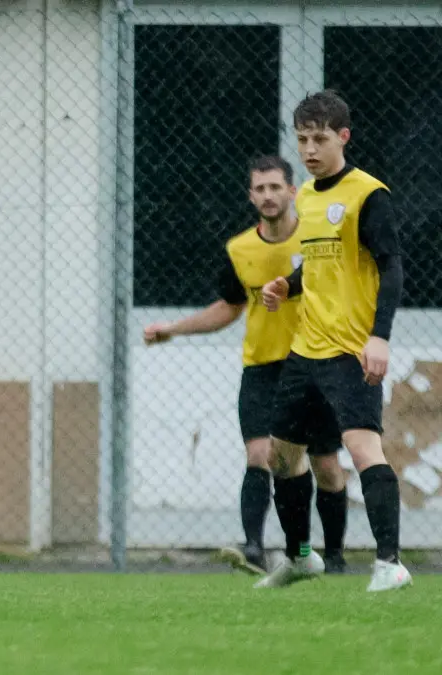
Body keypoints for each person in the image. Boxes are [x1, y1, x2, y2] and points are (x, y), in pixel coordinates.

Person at [143, 155, 349, 576]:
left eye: (276, 187)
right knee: (261, 453)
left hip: (315, 363)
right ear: (251, 196)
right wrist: (174, 329)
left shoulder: (318, 241)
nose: (269, 195)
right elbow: (230, 308)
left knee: (325, 465)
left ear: (293, 191)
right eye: (260, 188)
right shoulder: (240, 249)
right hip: (263, 368)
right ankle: (253, 549)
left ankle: (337, 556)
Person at [259, 90, 411, 592]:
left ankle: (389, 564)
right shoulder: (304, 195)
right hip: (306, 350)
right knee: (281, 455)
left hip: (350, 349)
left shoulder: (369, 194)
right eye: (302, 139)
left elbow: (390, 268)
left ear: (343, 137)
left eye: (320, 138)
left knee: (363, 448)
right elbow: (321, 265)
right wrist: (288, 284)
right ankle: (302, 557)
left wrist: (380, 338)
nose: (309, 148)